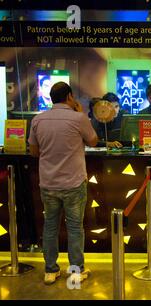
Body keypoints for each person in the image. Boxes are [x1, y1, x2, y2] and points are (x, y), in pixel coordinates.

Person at [28, 82, 98, 285]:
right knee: (75, 227)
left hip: (48, 183)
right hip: (74, 182)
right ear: (69, 96)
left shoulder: (38, 120)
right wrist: (81, 113)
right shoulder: (78, 118)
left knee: (50, 227)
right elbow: (93, 141)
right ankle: (76, 271)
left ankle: (50, 271)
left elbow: (33, 151)